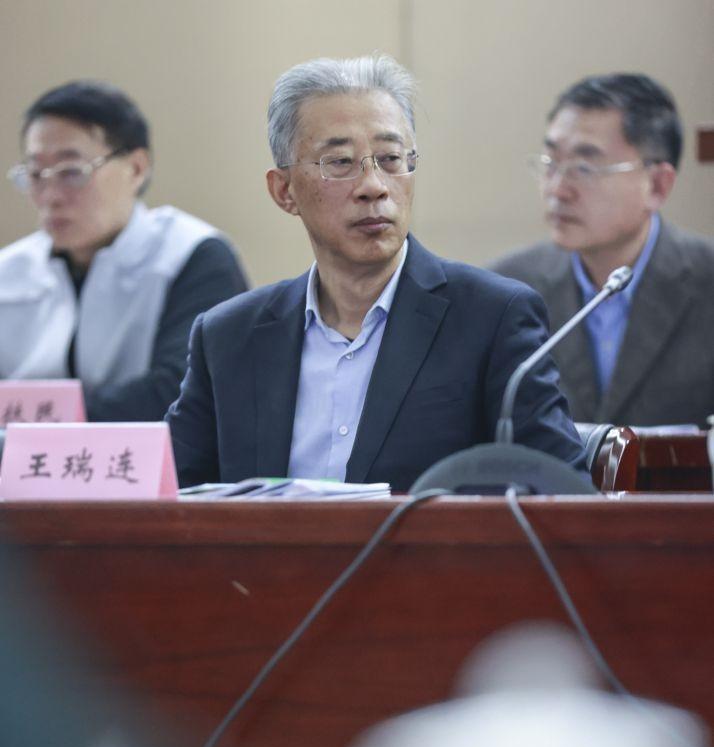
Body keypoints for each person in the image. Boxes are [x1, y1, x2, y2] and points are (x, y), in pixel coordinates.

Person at [167, 55, 587, 494]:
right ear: (284, 190)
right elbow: (163, 500)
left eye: (390, 158)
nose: (374, 186)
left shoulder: (491, 318)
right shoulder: (229, 337)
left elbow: (565, 493)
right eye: (340, 162)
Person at [0, 80, 249, 421]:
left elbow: (181, 391)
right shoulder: (9, 272)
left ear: (136, 168)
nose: (51, 196)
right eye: (36, 174)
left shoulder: (193, 257)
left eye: (71, 172)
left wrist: (35, 427)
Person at [490, 73, 714, 428]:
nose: (557, 189)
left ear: (657, 185)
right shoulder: (505, 289)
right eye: (550, 163)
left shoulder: (706, 282)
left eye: (584, 167)